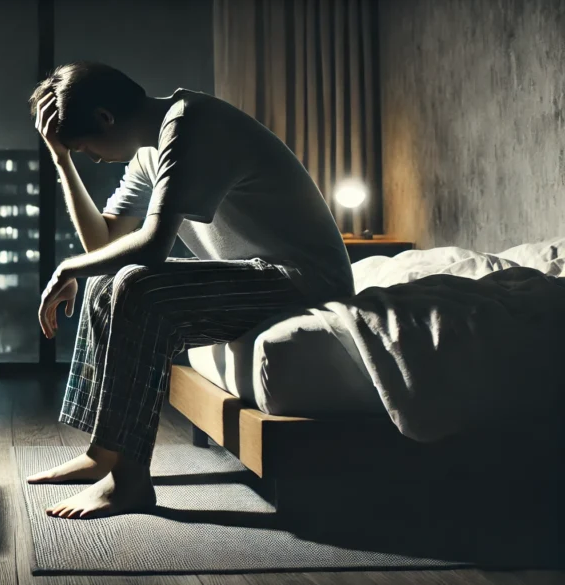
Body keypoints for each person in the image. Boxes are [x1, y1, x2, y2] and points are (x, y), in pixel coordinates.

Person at [26, 62, 355, 520]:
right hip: (257, 276)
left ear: (105, 118)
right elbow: (102, 245)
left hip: (304, 281)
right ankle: (104, 453)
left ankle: (130, 481)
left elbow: (153, 247)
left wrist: (65, 268)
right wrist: (61, 161)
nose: (91, 157)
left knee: (138, 286)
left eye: (84, 147)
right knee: (106, 278)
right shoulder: (149, 149)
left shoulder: (193, 125)